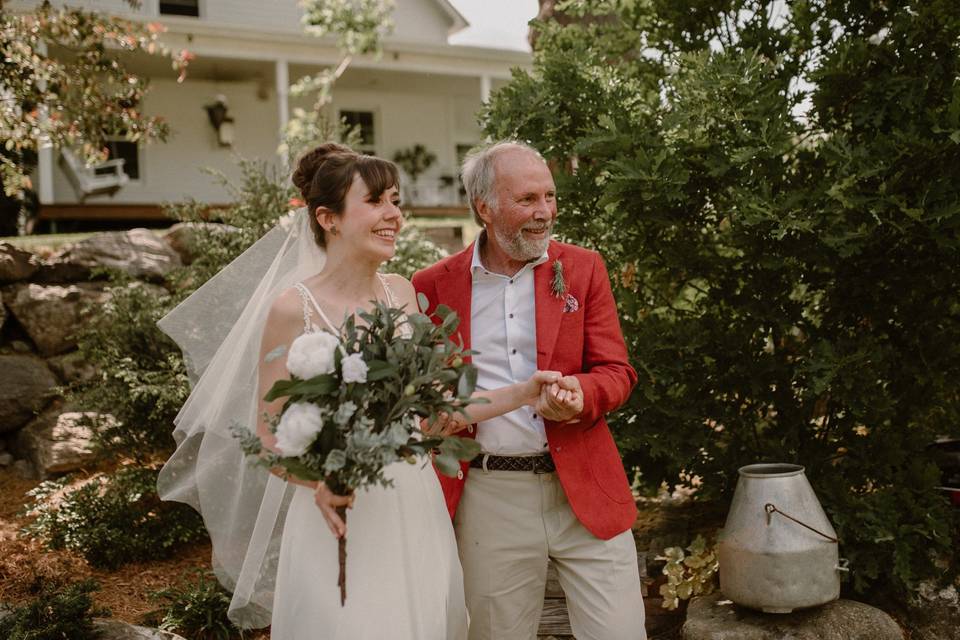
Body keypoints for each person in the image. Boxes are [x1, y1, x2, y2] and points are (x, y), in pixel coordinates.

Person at [157, 142, 570, 640]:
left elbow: (441, 407)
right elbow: (271, 435)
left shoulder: (400, 292)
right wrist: (321, 483)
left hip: (415, 506)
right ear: (328, 219)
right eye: (375, 202)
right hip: (341, 512)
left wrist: (525, 391)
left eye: (394, 200)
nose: (393, 214)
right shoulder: (292, 309)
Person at [413, 141, 648, 640]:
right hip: (490, 496)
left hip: (584, 485)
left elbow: (616, 370)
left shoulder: (583, 268)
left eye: (550, 196)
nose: (545, 213)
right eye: (527, 200)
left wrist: (581, 396)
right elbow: (429, 398)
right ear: (484, 207)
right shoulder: (432, 286)